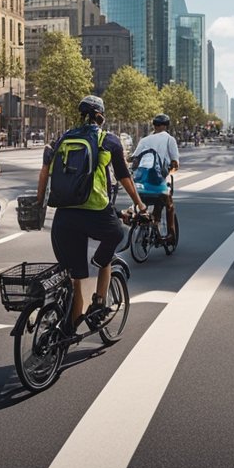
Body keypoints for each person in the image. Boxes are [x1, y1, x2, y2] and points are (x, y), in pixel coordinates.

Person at [36, 96, 146, 335]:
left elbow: (45, 170)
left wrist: (38, 203)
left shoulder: (63, 138)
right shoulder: (108, 140)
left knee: (77, 278)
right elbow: (124, 177)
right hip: (95, 211)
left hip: (63, 216)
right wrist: (140, 205)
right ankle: (98, 297)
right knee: (116, 233)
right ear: (100, 116)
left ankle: (66, 334)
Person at [131, 113, 181, 246]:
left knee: (143, 204)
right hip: (158, 184)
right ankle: (171, 235)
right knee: (168, 205)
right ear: (166, 126)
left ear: (154, 126)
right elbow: (175, 164)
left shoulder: (144, 140)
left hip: (140, 185)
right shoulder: (169, 139)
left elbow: (134, 161)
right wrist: (167, 172)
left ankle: (146, 222)